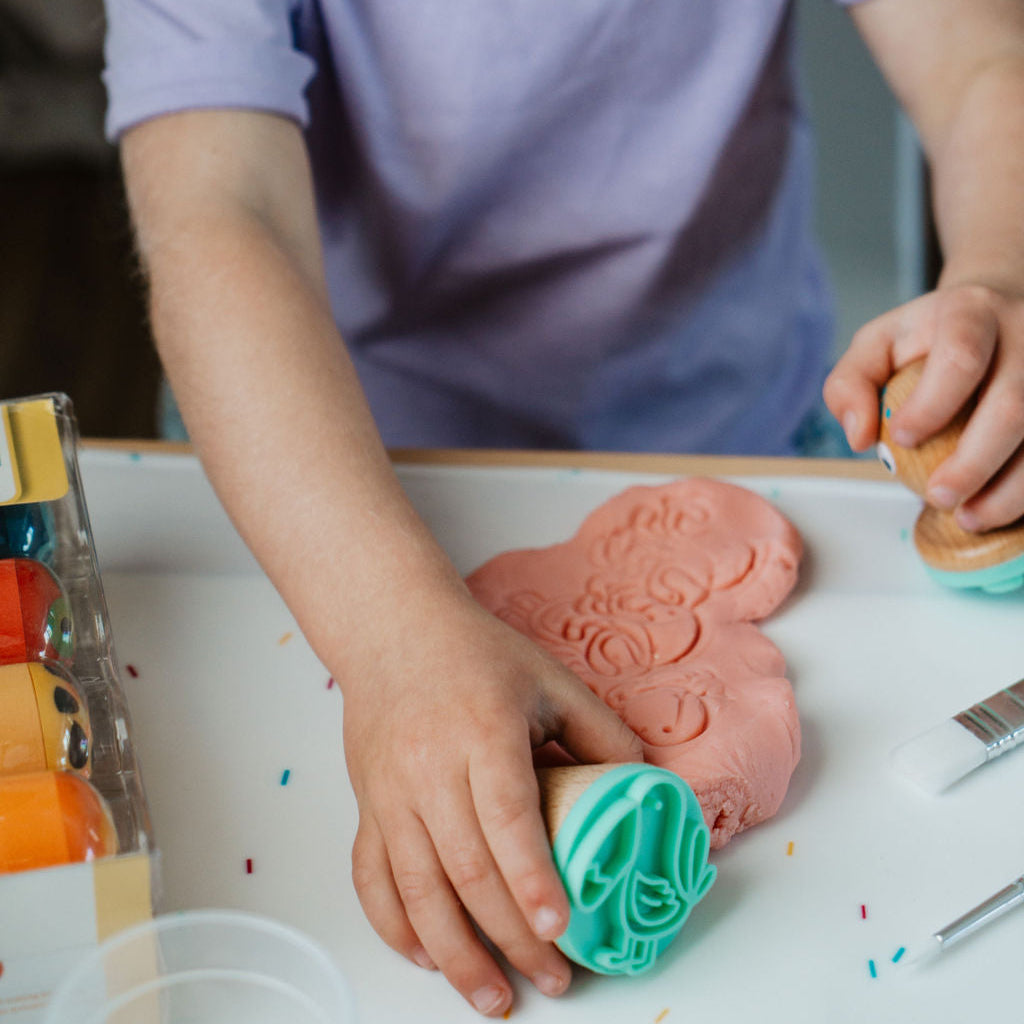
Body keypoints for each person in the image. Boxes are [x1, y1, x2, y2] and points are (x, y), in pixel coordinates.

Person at [103, 0, 1024, 1015]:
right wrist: (392, 639)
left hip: (744, 422)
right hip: (335, 481)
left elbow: (979, 55)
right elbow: (220, 211)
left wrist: (1003, 273)